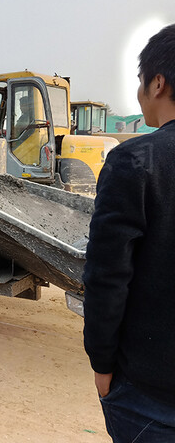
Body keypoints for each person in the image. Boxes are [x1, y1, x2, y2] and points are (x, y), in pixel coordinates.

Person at [83, 24, 175, 442]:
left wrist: (102, 367)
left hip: (150, 395)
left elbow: (107, 278)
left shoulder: (135, 163)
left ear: (158, 83)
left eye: (140, 82)